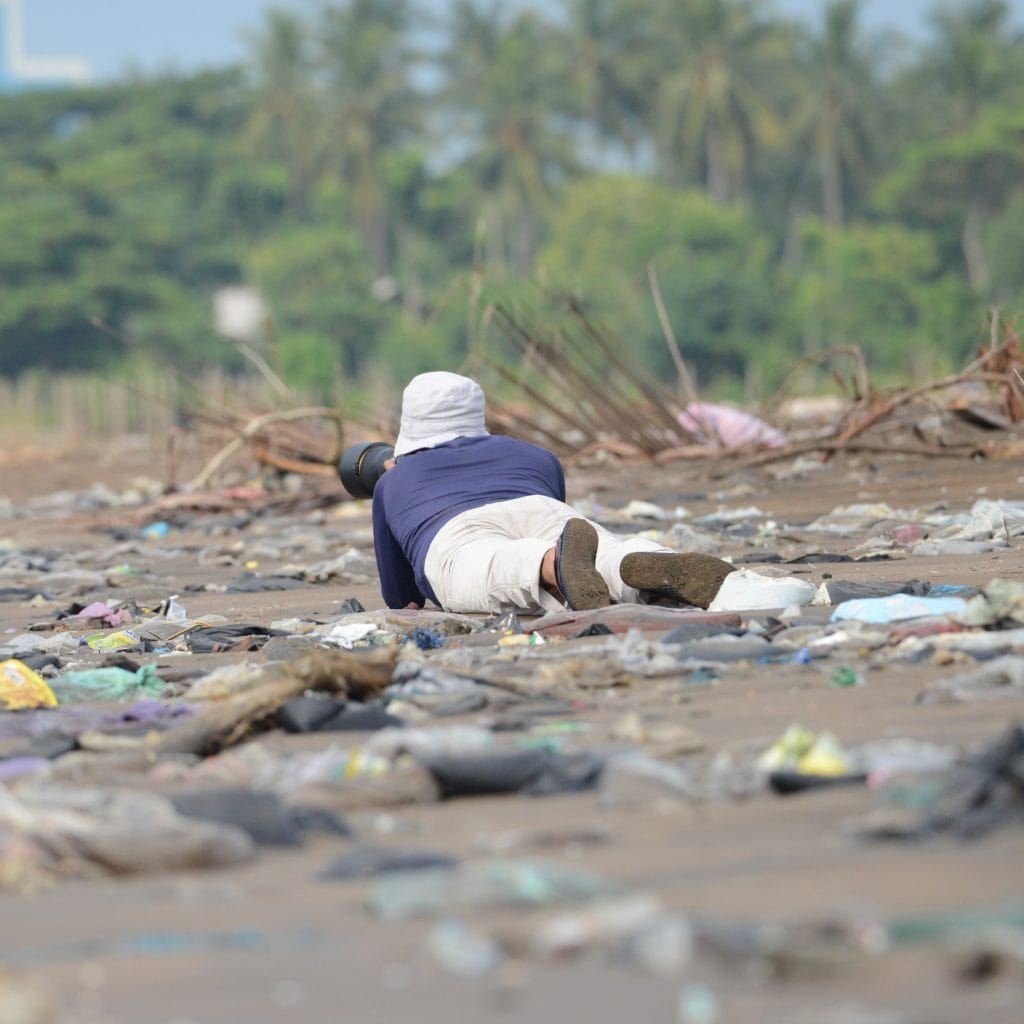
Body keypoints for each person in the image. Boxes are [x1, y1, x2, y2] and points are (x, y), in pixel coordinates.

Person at [371, 370, 737, 614]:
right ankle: (641, 560)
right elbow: (558, 510)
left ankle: (548, 564)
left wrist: (397, 483)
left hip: (456, 529)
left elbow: (401, 596)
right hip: (541, 507)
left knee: (492, 564)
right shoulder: (535, 456)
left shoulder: (392, 482)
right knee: (604, 554)